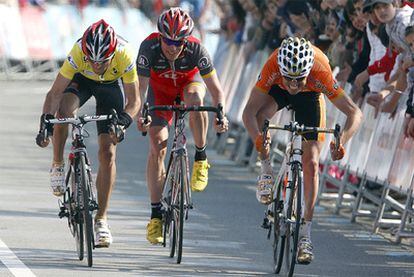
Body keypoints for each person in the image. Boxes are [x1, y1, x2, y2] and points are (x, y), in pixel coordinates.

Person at [242, 37, 362, 264]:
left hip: (311, 95)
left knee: (312, 162)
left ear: (308, 70)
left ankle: (306, 234)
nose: (294, 85)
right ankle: (266, 171)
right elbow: (248, 112)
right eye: (290, 79)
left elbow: (355, 113)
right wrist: (259, 139)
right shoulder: (273, 65)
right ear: (282, 70)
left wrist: (341, 141)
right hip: (278, 91)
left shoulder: (320, 70)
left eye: (299, 79)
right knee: (261, 118)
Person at [35, 19, 140, 248]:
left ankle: (101, 220)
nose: (95, 65)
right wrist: (45, 124)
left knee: (108, 153)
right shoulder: (78, 52)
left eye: (101, 61)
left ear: (112, 54)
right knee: (64, 109)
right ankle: (58, 163)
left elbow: (134, 101)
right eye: (91, 60)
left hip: (110, 88)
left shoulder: (125, 54)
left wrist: (123, 122)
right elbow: (53, 94)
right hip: (81, 83)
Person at [136, 7, 229, 244]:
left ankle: (200, 156)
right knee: (157, 146)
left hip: (189, 85)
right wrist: (141, 115)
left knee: (196, 100)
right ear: (160, 36)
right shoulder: (148, 49)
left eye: (179, 42)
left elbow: (217, 91)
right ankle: (156, 215)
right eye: (168, 40)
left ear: (186, 39)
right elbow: (141, 91)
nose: (173, 47)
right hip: (160, 94)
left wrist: (221, 115)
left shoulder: (197, 49)